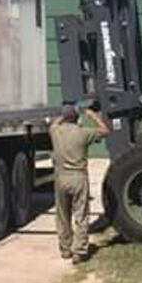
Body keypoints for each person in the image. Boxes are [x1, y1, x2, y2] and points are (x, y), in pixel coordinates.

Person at [49, 103, 110, 264]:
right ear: (77, 118)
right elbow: (105, 131)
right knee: (81, 215)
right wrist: (93, 116)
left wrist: (65, 114)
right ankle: (79, 250)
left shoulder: (55, 132)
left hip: (61, 177)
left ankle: (65, 248)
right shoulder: (83, 133)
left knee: (63, 215)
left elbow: (55, 122)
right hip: (78, 176)